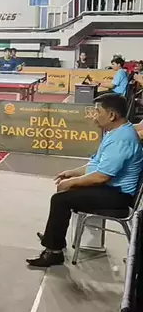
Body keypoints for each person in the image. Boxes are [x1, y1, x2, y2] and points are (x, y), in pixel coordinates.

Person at [27, 93, 143, 267]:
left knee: (60, 199)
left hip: (118, 195)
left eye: (97, 112)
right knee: (65, 192)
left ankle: (54, 253)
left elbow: (102, 176)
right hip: (110, 188)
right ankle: (55, 239)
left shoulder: (122, 139)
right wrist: (72, 173)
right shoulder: (114, 132)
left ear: (111, 115)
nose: (94, 116)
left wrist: (72, 182)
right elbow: (96, 165)